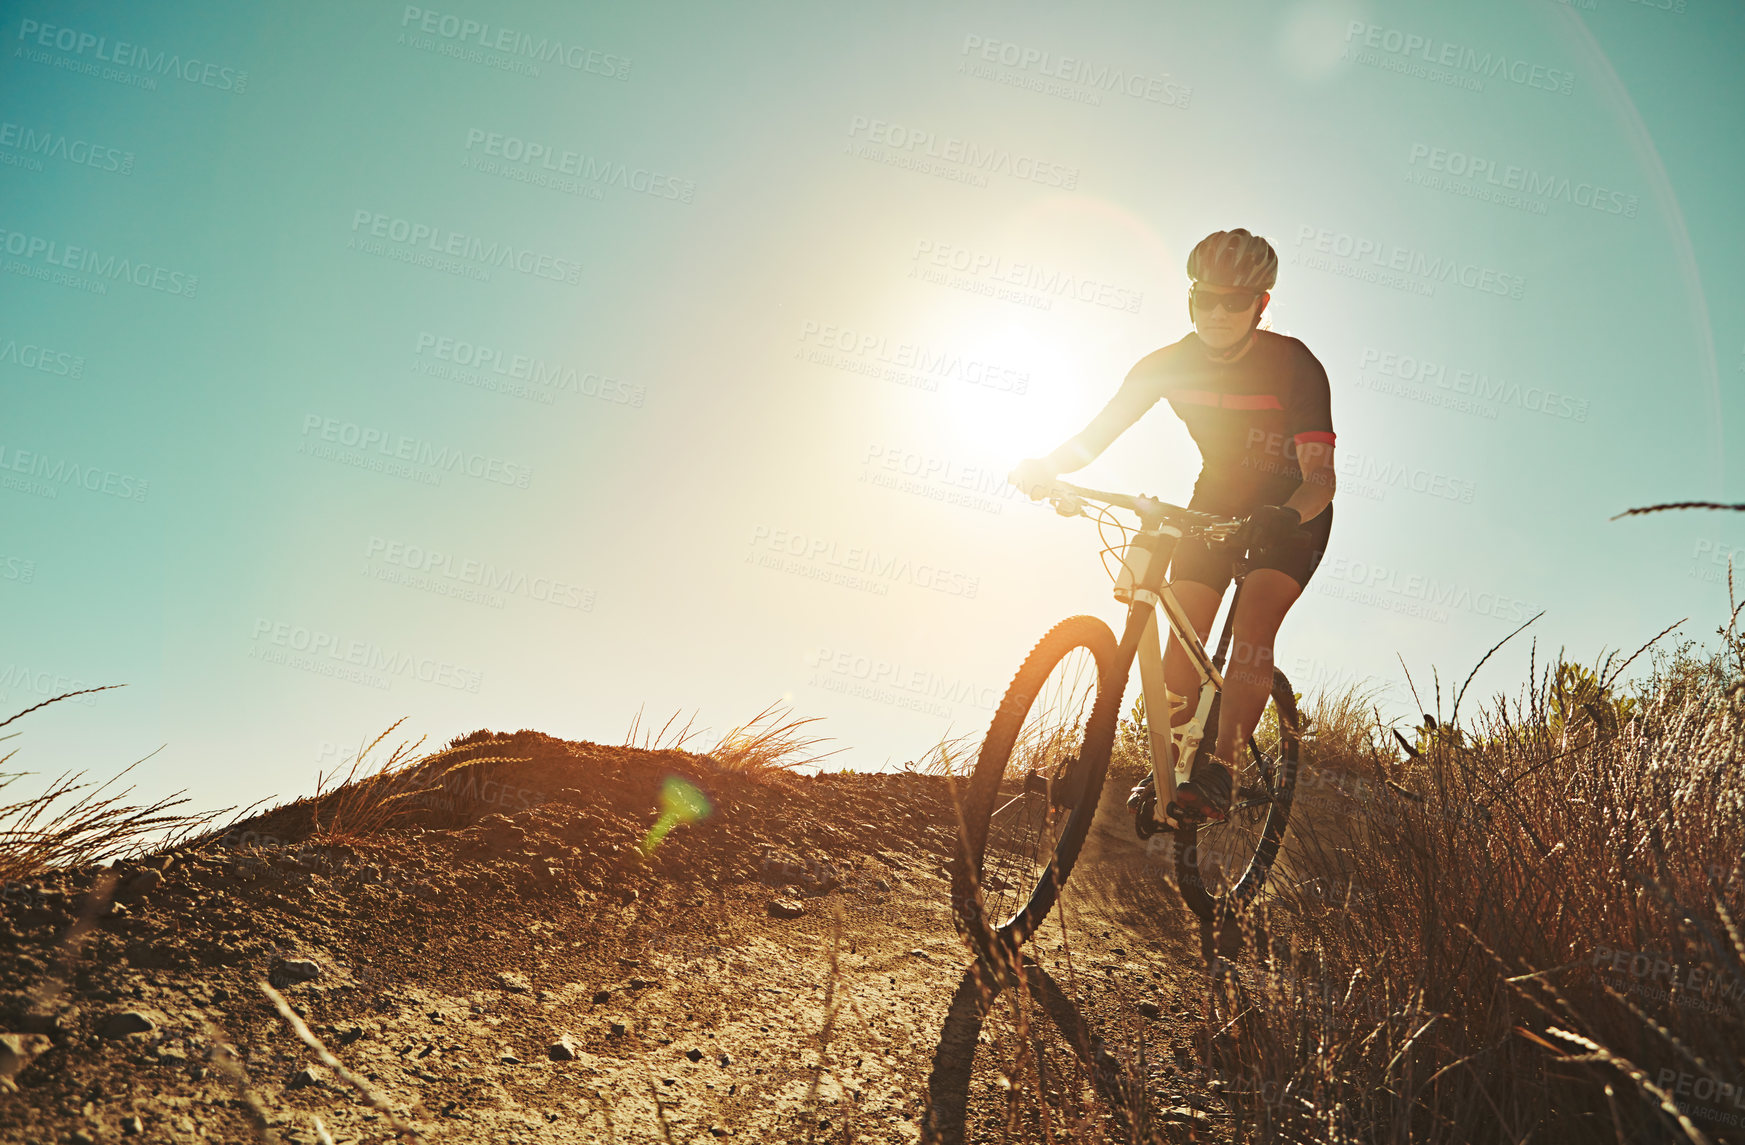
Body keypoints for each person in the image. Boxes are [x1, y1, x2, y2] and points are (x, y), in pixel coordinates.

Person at [1008, 228, 1336, 822]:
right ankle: (1176, 768)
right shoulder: (1165, 365)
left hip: (1290, 511)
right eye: (1204, 297)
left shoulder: (1293, 365)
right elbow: (1095, 436)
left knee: (1255, 623)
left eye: (1234, 301)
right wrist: (1047, 468)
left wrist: (1284, 515)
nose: (1216, 312)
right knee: (1178, 652)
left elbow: (1320, 479)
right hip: (1213, 502)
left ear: (1260, 305)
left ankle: (1223, 773)